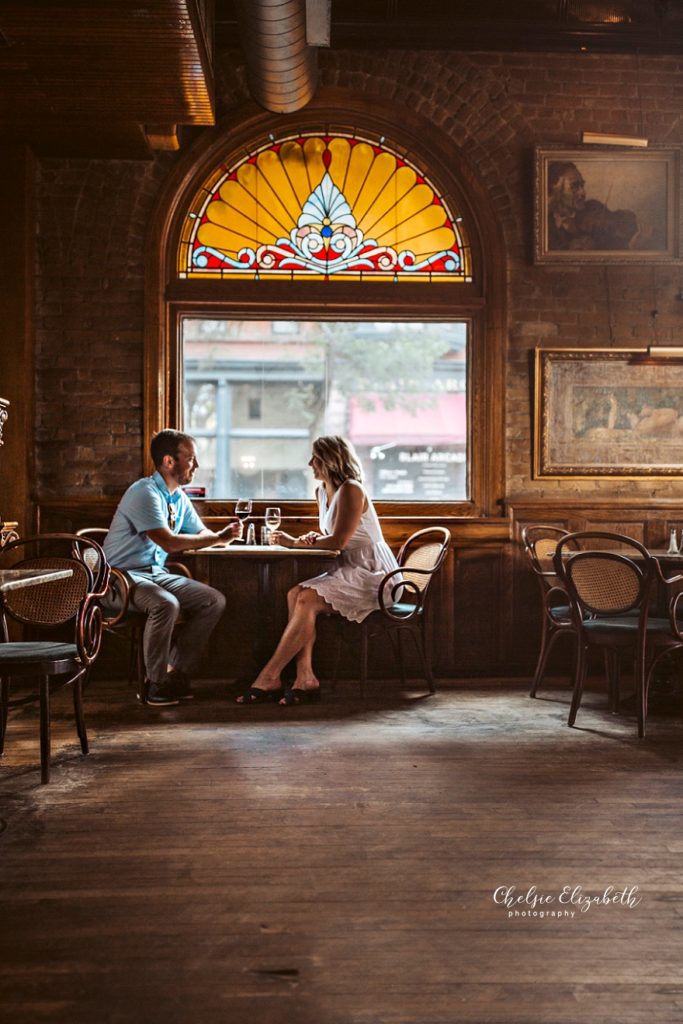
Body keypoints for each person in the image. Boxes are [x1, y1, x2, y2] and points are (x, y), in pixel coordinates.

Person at [235, 435, 400, 706]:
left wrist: (292, 542)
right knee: (294, 594)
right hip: (349, 568)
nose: (311, 463)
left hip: (374, 574)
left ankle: (269, 676)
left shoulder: (351, 489)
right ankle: (305, 676)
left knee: (306, 600)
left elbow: (338, 541)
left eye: (316, 458)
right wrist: (313, 537)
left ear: (332, 461)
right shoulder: (322, 491)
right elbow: (333, 535)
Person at [104, 429, 242, 706]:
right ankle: (154, 684)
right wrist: (218, 538)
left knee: (213, 600)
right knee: (165, 604)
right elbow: (167, 542)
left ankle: (175, 673)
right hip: (118, 579)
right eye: (190, 459)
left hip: (154, 575)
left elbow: (201, 535)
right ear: (169, 462)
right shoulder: (144, 492)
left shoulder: (178, 497)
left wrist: (224, 538)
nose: (197, 466)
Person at [547, 161, 640, 251]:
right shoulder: (547, 226)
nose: (583, 192)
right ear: (556, 190)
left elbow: (616, 245)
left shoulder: (594, 208)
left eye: (582, 185)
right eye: (574, 186)